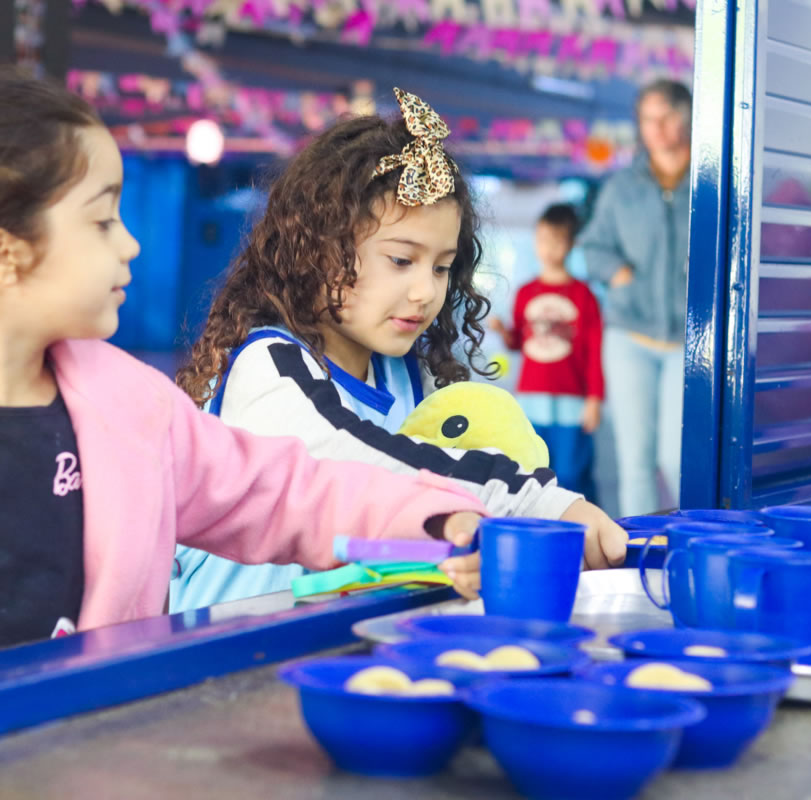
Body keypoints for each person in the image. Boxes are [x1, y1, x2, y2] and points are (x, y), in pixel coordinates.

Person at [0, 74, 487, 703]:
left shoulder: (129, 411)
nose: (131, 243)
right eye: (101, 221)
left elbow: (284, 494)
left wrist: (438, 517)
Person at [170, 89, 627, 612]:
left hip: (348, 633)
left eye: (440, 267)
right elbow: (365, 464)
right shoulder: (268, 367)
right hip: (227, 647)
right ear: (320, 250)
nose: (426, 292)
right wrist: (539, 502)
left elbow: (468, 453)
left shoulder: (406, 373)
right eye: (401, 261)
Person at [578, 79, 692, 516]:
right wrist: (617, 273)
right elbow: (593, 246)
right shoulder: (622, 187)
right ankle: (637, 552)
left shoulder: (709, 181)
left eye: (667, 117)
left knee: (678, 459)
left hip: (689, 340)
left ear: (686, 116)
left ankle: (699, 544)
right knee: (635, 461)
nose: (658, 128)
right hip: (629, 335)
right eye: (649, 119)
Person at [489, 204, 603, 501]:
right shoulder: (526, 292)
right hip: (531, 395)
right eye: (542, 239)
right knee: (533, 469)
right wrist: (504, 332)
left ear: (571, 244)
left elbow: (594, 351)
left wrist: (594, 400)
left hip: (572, 397)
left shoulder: (583, 295)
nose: (548, 248)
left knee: (571, 472)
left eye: (556, 240)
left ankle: (583, 529)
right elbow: (519, 343)